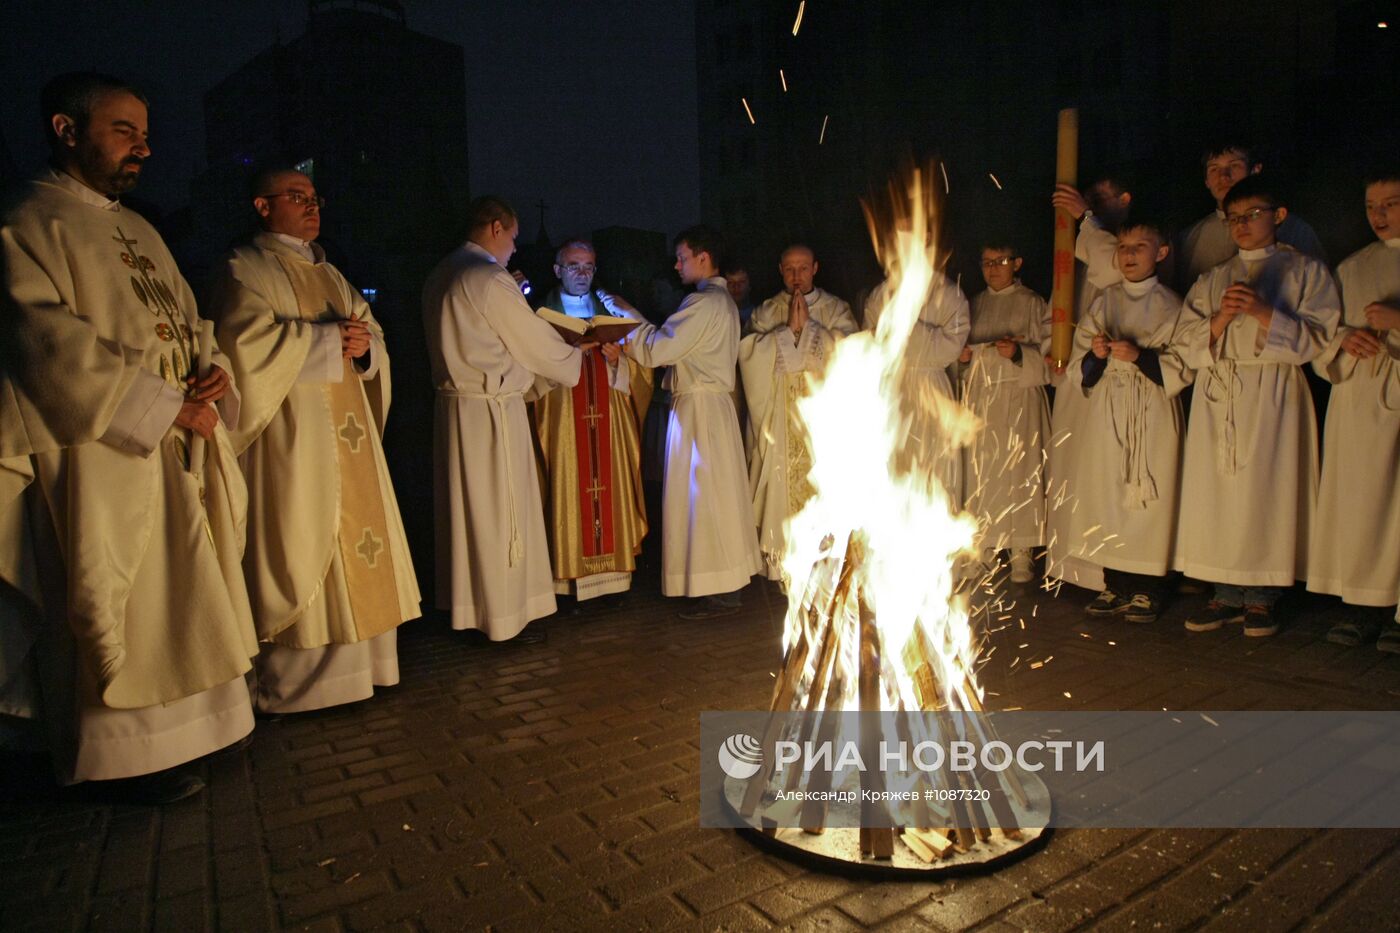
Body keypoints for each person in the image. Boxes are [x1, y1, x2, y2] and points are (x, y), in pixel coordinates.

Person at [0, 73, 257, 802]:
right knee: (123, 595)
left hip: (177, 436)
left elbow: (189, 320)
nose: (142, 146)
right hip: (99, 448)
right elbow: (42, 340)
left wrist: (211, 374)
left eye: (145, 133)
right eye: (123, 130)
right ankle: (124, 755)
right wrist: (159, 404)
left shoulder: (140, 228)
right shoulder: (24, 220)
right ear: (66, 128)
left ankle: (204, 728)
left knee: (183, 590)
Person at [209, 168, 420, 714]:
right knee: (300, 538)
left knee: (362, 543)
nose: (311, 207)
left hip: (352, 436)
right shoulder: (243, 267)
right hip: (293, 438)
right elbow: (243, 347)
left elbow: (370, 333)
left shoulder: (332, 272)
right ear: (261, 205)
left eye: (314, 198)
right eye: (296, 197)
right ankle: (297, 686)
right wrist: (327, 341)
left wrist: (363, 347)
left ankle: (368, 668)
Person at [1176, 175, 1340, 637]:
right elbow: (1186, 344)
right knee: (1220, 494)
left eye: (1253, 215)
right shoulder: (1214, 277)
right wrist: (1223, 317)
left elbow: (1319, 341)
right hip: (1221, 389)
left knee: (1267, 491)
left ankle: (1263, 597)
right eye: (1234, 219)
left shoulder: (1306, 271)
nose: (1242, 226)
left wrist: (1264, 313)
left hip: (1273, 393)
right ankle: (1225, 591)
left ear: (1278, 215)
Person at [423, 197, 584, 642]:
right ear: (496, 228)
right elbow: (532, 341)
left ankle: (471, 609)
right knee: (501, 512)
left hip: (457, 410)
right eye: (513, 238)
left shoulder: (443, 272)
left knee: (469, 515)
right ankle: (505, 617)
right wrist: (573, 353)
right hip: (491, 414)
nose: (514, 249)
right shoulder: (489, 278)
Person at [623, 225, 761, 616]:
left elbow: (655, 350)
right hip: (708, 408)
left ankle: (718, 588)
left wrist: (625, 317)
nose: (676, 263)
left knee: (706, 497)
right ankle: (718, 583)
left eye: (682, 256)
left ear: (704, 258)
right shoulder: (719, 303)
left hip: (701, 410)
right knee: (711, 495)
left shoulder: (702, 304)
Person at [1065, 218, 1192, 623]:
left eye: (1140, 246)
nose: (1129, 255)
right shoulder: (1104, 301)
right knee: (1107, 491)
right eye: (1123, 247)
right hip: (1109, 408)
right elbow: (1078, 367)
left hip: (1151, 408)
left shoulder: (1173, 304)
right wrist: (1097, 355)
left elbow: (1184, 365)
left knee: (1149, 493)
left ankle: (1150, 586)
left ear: (1162, 252)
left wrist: (1141, 357)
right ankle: (1114, 582)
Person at [1307, 171, 1400, 650]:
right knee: (1364, 502)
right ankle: (1364, 605)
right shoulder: (1351, 268)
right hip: (1360, 399)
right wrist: (1346, 338)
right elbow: (1322, 336)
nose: (1379, 215)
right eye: (1371, 206)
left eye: (1391, 203)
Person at [532, 239, 651, 602]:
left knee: (608, 486)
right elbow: (529, 369)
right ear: (557, 270)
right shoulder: (539, 316)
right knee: (567, 485)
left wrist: (618, 360)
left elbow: (644, 374)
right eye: (574, 266)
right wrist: (564, 354)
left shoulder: (611, 313)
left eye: (588, 266)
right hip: (564, 422)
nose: (582, 274)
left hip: (609, 424)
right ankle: (567, 582)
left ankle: (612, 581)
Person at [738, 244, 857, 581]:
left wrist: (812, 334)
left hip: (824, 422)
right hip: (779, 422)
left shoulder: (836, 309)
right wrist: (786, 334)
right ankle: (784, 564)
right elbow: (747, 353)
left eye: (803, 269)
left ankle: (825, 563)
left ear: (815, 268)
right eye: (789, 269)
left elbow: (853, 350)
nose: (796, 277)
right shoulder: (766, 311)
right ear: (780, 269)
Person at [1042, 175, 1133, 592]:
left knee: (1100, 474)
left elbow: (1112, 266)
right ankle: (1069, 566)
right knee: (1069, 467)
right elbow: (1062, 306)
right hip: (1075, 373)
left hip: (1112, 381)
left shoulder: (1126, 248)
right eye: (1089, 198)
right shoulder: (1084, 243)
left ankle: (1106, 572)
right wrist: (1054, 348)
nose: (1092, 204)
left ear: (1125, 200)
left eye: (1101, 198)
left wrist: (1086, 217)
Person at [957, 242, 1052, 584]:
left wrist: (1018, 353)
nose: (993, 268)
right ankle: (981, 548)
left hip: (1018, 394)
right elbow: (958, 355)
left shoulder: (1033, 302)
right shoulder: (973, 305)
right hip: (982, 395)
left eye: (1001, 261)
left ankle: (1022, 552)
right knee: (982, 473)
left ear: (1017, 263)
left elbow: (1053, 353)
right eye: (986, 262)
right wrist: (964, 361)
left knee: (1021, 470)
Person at [862, 267, 970, 504]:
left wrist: (903, 331)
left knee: (936, 469)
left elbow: (949, 348)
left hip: (932, 389)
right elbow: (870, 342)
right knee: (894, 465)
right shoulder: (881, 294)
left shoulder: (949, 293)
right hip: (892, 390)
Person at [1175, 142, 1326, 291]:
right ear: (1206, 180)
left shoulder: (1295, 230)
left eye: (1234, 166)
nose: (1224, 176)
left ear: (1255, 169)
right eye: (1214, 169)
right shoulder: (1190, 238)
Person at [724, 262, 756, 331]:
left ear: (749, 285)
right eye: (730, 282)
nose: (736, 286)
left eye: (741, 282)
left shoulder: (759, 315)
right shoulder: (720, 315)